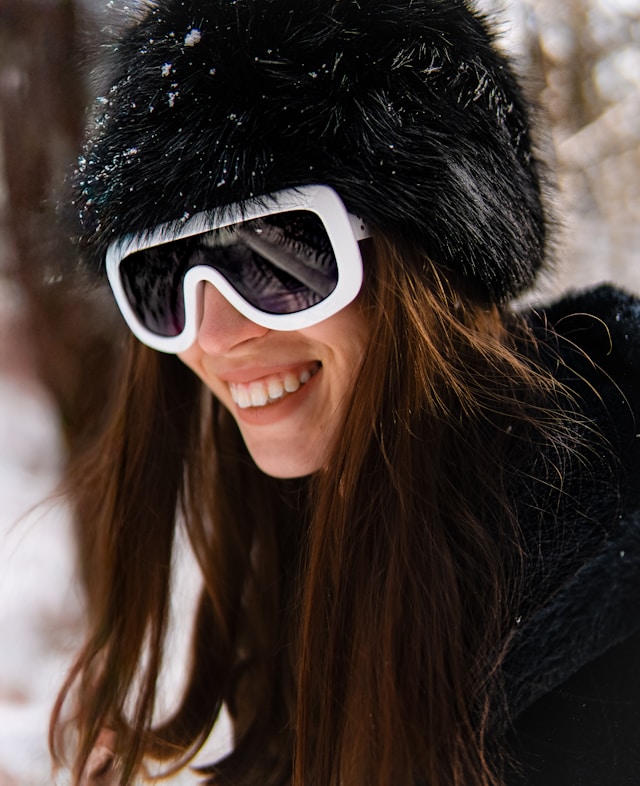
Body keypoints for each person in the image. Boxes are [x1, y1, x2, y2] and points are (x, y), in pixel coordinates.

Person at [50, 0, 640, 784]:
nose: (213, 336)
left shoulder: (610, 652)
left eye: (277, 255)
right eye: (158, 277)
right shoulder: (309, 551)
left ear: (436, 264)